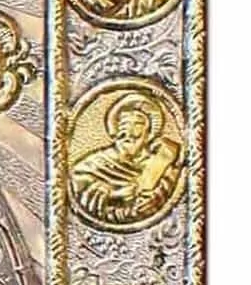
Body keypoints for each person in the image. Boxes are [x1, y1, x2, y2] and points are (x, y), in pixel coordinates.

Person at [70, 90, 182, 225]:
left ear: (148, 134)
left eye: (138, 124)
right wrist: (114, 195)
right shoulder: (96, 163)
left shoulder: (160, 164)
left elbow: (166, 191)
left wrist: (154, 199)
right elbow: (78, 185)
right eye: (124, 124)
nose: (129, 130)